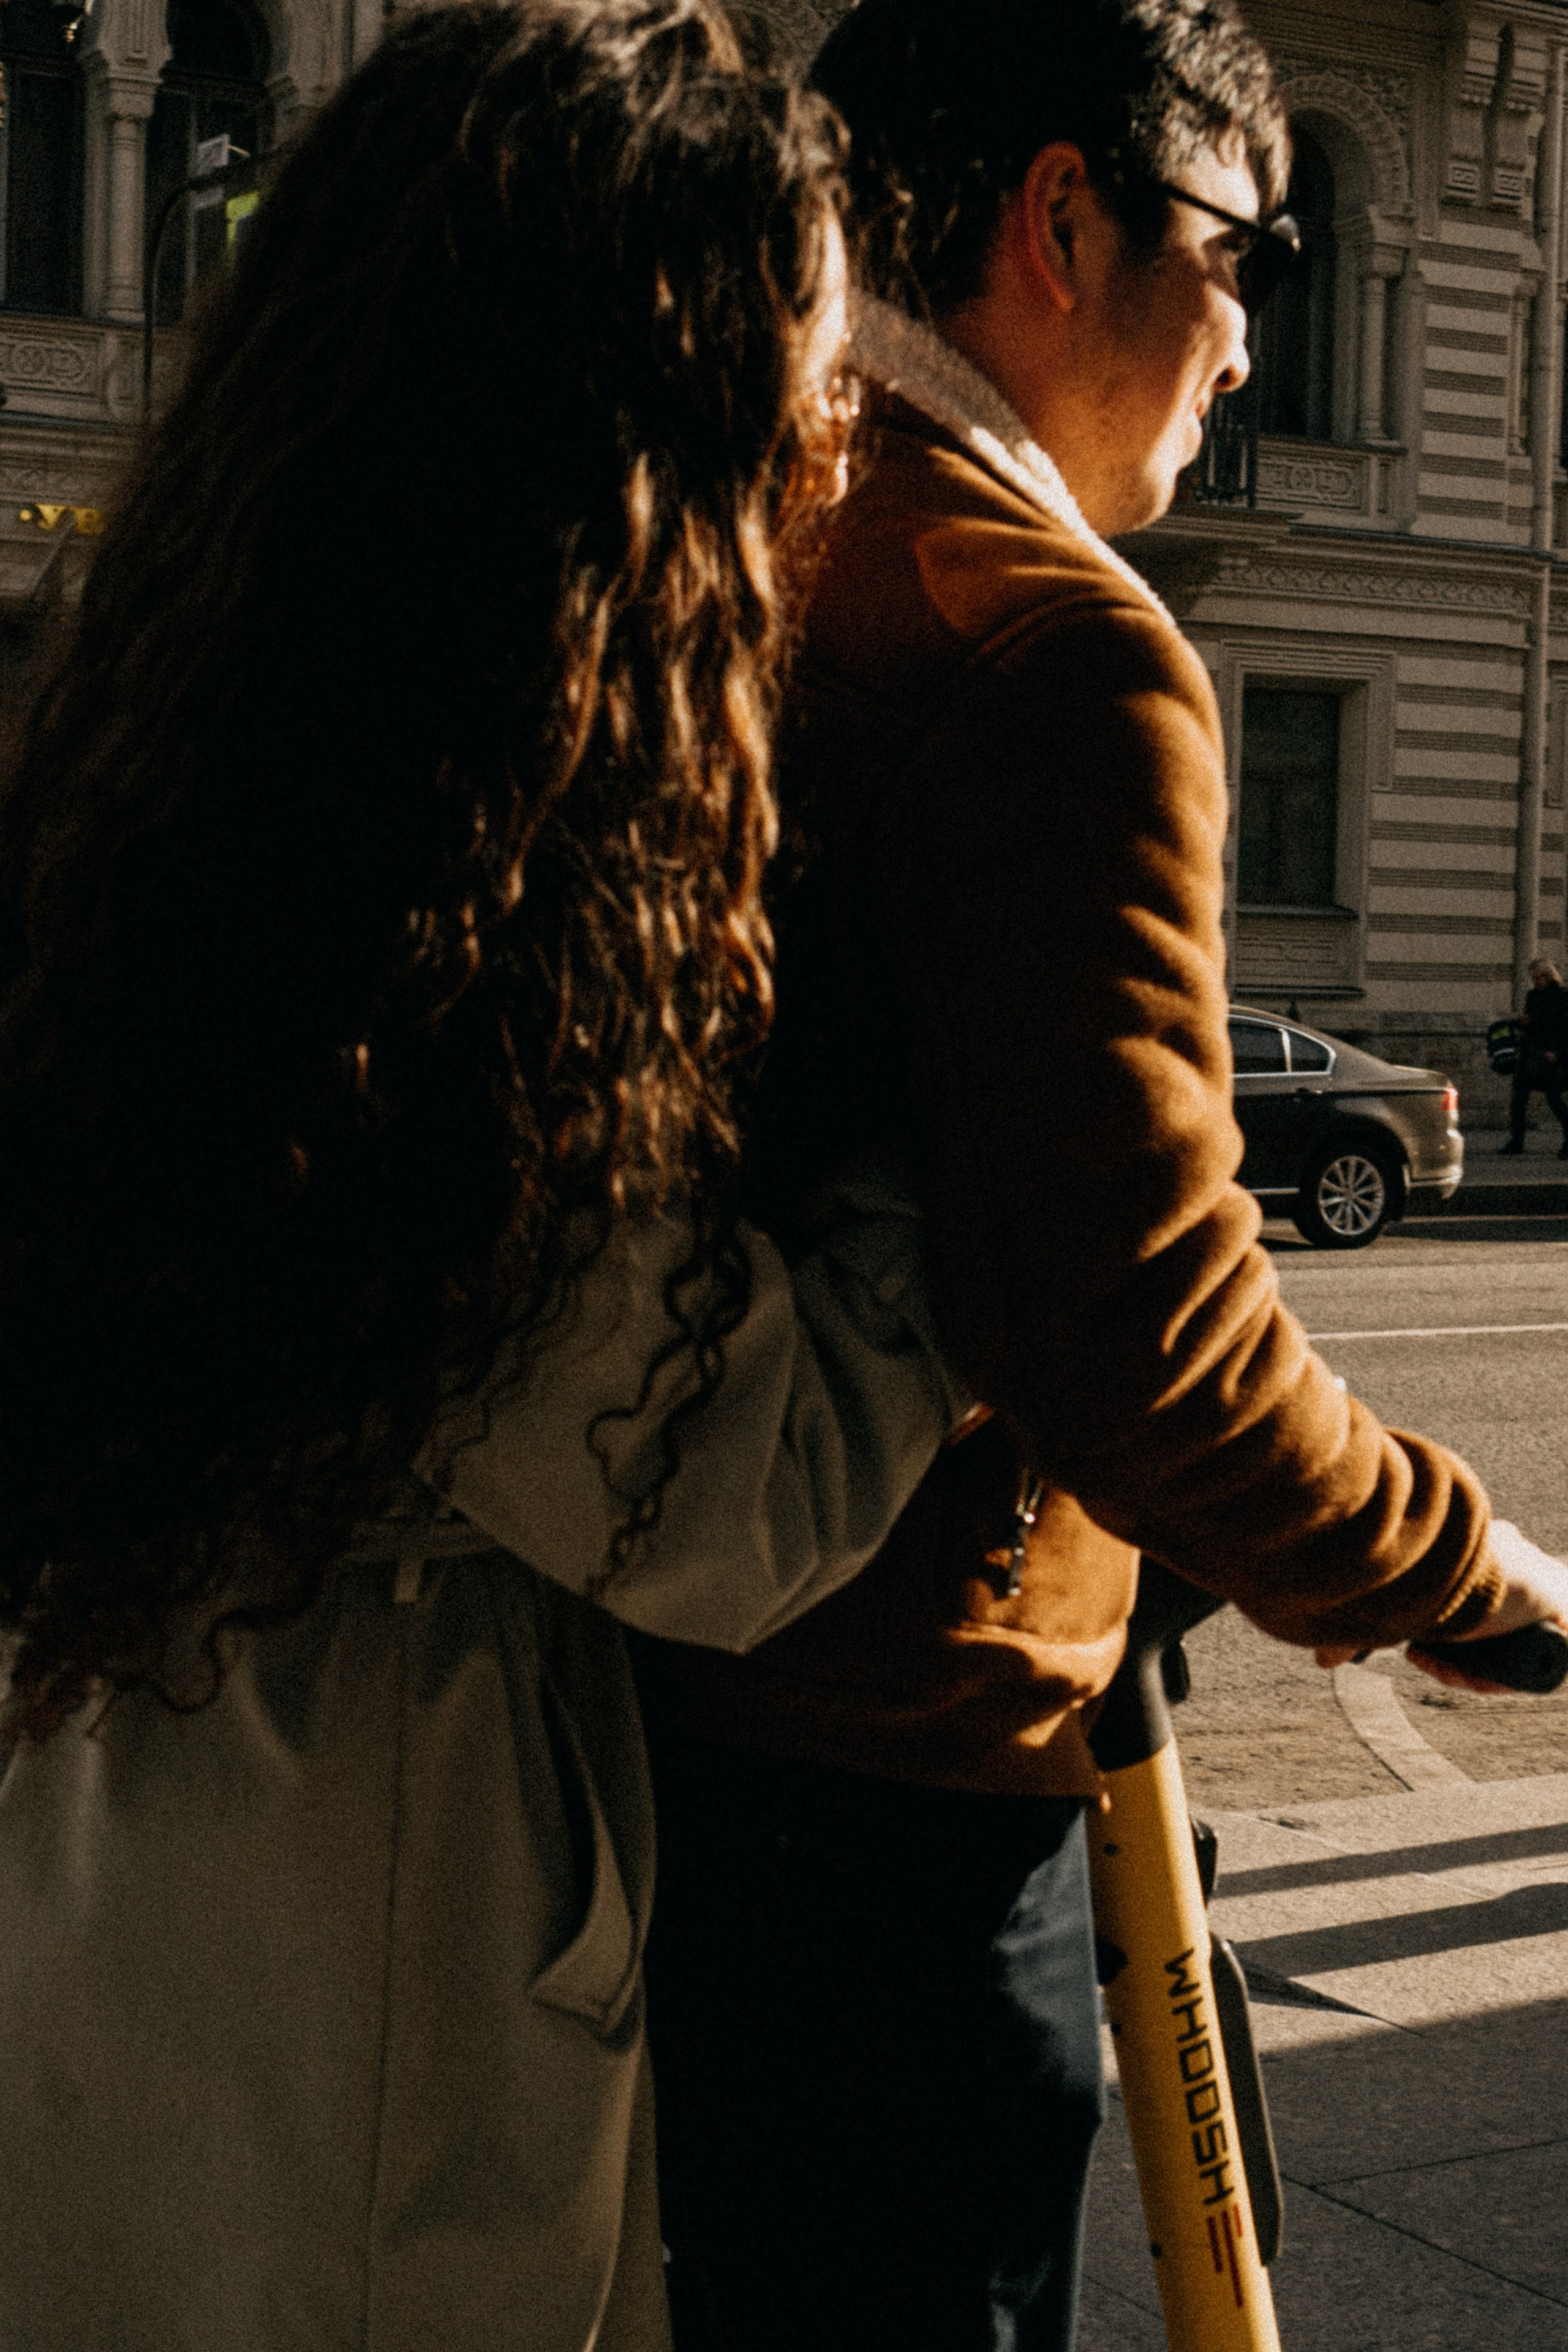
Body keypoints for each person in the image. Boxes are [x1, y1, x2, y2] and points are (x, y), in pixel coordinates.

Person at [0, 7, 973, 2347]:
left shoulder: (168, 746)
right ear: (628, 439)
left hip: (115, 1847)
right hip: (356, 1970)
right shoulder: (440, 926)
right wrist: (963, 1145)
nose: (837, 457)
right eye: (811, 393)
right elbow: (729, 1489)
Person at [628, 6, 1568, 2350]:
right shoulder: (1053, 651)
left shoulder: (731, 529)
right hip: (909, 1773)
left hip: (648, 1726)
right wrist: (1463, 1568)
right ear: (1055, 222)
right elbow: (1138, 1333)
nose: (1250, 343)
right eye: (1239, 255)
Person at [1499, 957, 1568, 1155]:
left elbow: (1564, 1029)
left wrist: (1559, 1053)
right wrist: (1520, 1022)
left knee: (1554, 1099)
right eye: (1533, 978)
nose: (1536, 982)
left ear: (1548, 976)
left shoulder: (1562, 997)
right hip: (1532, 1054)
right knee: (1519, 1098)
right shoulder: (1533, 996)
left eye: (1539, 978)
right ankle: (1516, 1141)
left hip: (1551, 1056)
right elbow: (1532, 1023)